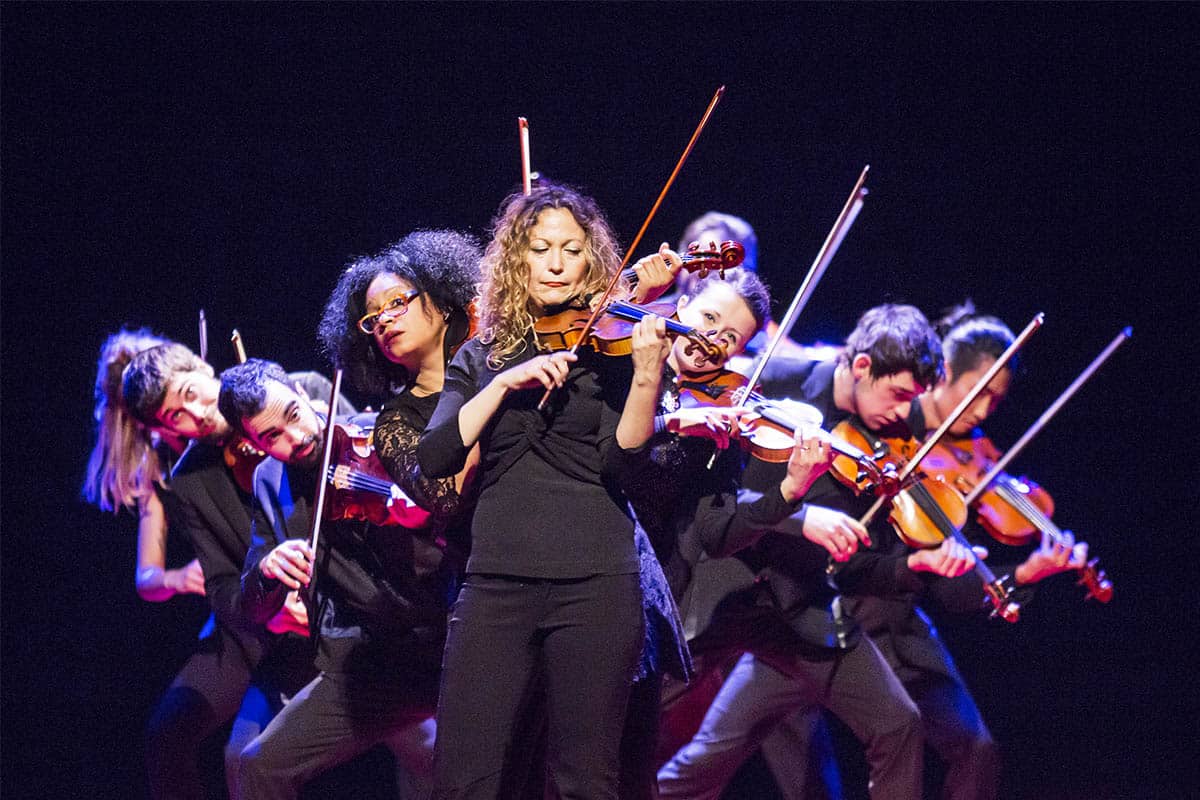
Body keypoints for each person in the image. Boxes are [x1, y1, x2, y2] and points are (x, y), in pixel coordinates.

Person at [416, 182, 680, 799]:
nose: (557, 264)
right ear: (518, 259)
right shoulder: (482, 355)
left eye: (571, 249)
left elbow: (623, 466)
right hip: (497, 585)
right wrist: (506, 383)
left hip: (596, 584)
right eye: (540, 249)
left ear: (592, 260)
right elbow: (436, 453)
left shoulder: (614, 349)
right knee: (462, 778)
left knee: (585, 781)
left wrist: (645, 377)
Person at [658, 304, 981, 800]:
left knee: (899, 723)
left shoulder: (877, 442)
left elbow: (853, 565)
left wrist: (909, 567)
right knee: (625, 717)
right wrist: (801, 518)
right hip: (722, 589)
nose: (901, 414)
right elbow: (704, 500)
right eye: (898, 395)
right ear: (861, 367)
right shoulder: (769, 378)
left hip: (800, 607)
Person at [213, 358, 444, 800]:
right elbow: (250, 603)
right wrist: (267, 571)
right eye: (271, 437)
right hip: (366, 660)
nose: (296, 439)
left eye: (293, 416)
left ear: (302, 395)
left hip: (446, 636)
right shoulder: (270, 481)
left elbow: (459, 515)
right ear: (252, 444)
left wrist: (422, 513)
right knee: (257, 765)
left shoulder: (377, 432)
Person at [123, 342, 317, 800]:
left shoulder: (288, 398)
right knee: (167, 734)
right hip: (256, 632)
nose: (198, 413)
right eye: (176, 417)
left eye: (193, 392)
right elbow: (223, 584)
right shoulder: (191, 478)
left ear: (207, 370)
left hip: (338, 614)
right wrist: (268, 614)